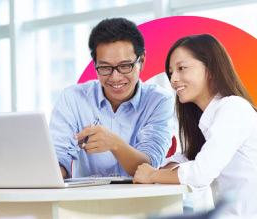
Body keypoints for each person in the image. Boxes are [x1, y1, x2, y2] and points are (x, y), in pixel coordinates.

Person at [133, 34, 257, 218]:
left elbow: (200, 173)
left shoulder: (233, 108)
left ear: (210, 69)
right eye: (171, 73)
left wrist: (153, 175)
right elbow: (187, 159)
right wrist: (162, 170)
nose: (173, 80)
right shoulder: (209, 119)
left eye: (181, 68)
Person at [49, 18, 174, 179]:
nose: (115, 77)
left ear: (141, 61)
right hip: (86, 201)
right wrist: (50, 172)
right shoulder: (72, 98)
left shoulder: (158, 101)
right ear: (94, 64)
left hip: (142, 200)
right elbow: (58, 156)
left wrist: (114, 143)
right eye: (105, 67)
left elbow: (149, 167)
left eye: (124, 66)